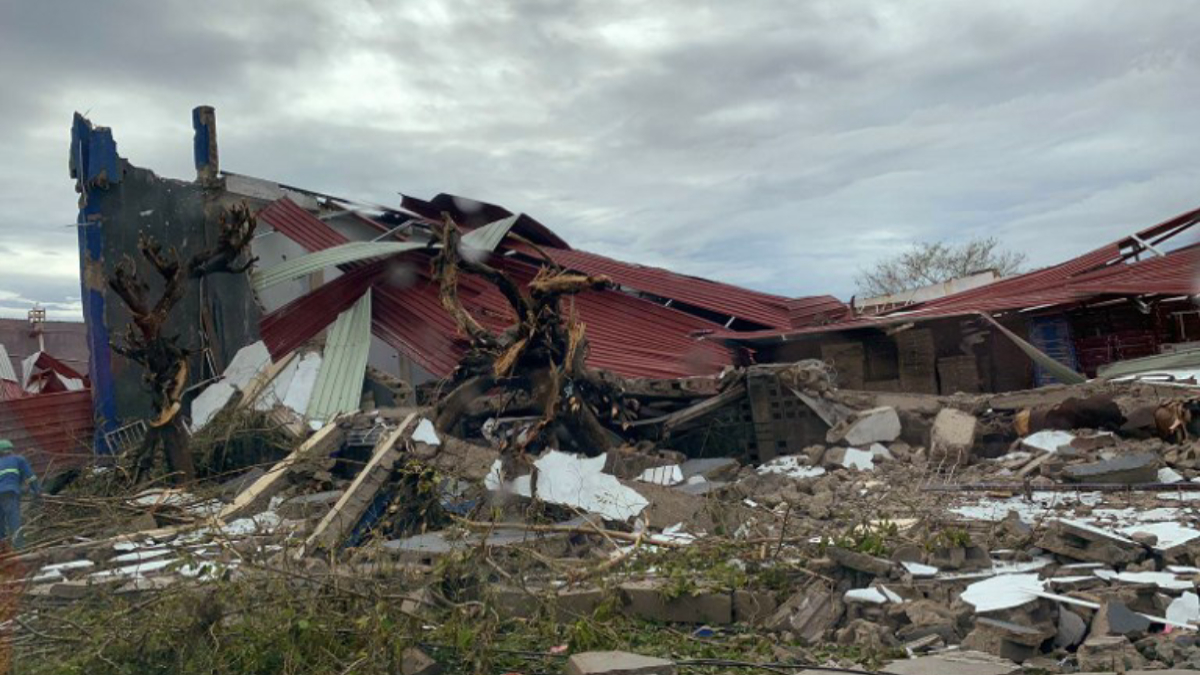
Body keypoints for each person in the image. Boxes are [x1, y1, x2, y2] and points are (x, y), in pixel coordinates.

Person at [0, 439, 40, 550]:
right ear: (11, 449)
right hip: (9, 494)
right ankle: (19, 547)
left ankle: (2, 548)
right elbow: (31, 477)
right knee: (13, 520)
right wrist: (37, 491)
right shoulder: (18, 459)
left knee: (0, 523)